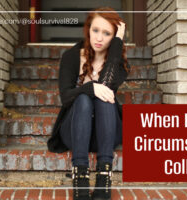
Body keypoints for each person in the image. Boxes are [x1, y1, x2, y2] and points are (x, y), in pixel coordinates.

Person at [47, 7, 130, 200]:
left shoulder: (120, 64)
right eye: (95, 30)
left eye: (107, 33)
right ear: (88, 29)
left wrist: (118, 43)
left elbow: (106, 86)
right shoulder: (71, 56)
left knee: (105, 98)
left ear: (115, 37)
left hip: (106, 132)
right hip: (76, 132)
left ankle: (104, 178)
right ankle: (80, 179)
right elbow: (66, 97)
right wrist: (88, 88)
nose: (99, 38)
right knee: (84, 98)